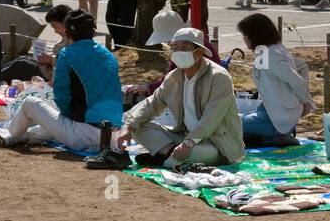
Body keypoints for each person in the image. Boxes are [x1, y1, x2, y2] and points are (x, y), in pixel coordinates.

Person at [99, 28, 243, 171]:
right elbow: (152, 103)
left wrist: (188, 143)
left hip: (217, 143)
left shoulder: (219, 77)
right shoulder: (174, 77)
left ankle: (167, 157)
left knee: (190, 155)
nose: (178, 52)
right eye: (175, 48)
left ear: (199, 52)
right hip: (184, 137)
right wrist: (128, 127)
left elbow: (212, 117)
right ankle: (171, 156)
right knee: (138, 126)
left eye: (184, 47)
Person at [0, 9, 122, 151]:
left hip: (83, 134)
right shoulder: (109, 55)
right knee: (42, 130)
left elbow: (61, 97)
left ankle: (10, 134)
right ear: (93, 31)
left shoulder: (67, 54)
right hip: (113, 136)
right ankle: (22, 135)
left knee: (30, 103)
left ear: (67, 32)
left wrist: (66, 117)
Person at [236, 12, 314, 145]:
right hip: (266, 112)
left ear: (255, 35)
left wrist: (306, 103)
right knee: (230, 120)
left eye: (245, 34)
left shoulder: (270, 55)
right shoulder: (267, 51)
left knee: (224, 125)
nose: (244, 39)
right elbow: (301, 66)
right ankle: (271, 137)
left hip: (274, 120)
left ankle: (275, 137)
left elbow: (297, 81)